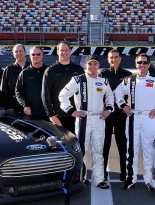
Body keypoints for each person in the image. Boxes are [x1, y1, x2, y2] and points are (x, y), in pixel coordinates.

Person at [114, 54, 155, 190]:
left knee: (149, 150)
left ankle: (149, 180)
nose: (142, 65)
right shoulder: (128, 80)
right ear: (136, 64)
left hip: (150, 118)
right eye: (139, 63)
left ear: (149, 64)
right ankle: (131, 178)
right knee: (131, 150)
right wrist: (123, 105)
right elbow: (117, 93)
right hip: (133, 117)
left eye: (144, 63)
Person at [59, 54, 114, 189]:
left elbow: (110, 97)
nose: (92, 66)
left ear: (98, 66)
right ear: (85, 65)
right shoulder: (78, 80)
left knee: (98, 150)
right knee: (82, 150)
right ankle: (81, 177)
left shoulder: (104, 81)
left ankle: (99, 179)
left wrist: (109, 110)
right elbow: (63, 95)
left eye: (95, 64)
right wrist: (71, 110)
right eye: (90, 64)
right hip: (83, 118)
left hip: (99, 119)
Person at [99, 48, 132, 181]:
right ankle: (102, 173)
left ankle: (124, 173)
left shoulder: (128, 74)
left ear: (120, 58)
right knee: (104, 144)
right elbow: (98, 92)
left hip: (121, 115)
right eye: (111, 57)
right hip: (106, 115)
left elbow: (132, 94)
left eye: (116, 57)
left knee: (122, 145)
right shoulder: (102, 74)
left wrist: (128, 107)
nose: (114, 59)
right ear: (108, 59)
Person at [42, 41, 84, 133]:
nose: (64, 52)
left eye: (66, 50)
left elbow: (85, 91)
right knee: (60, 145)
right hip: (58, 116)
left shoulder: (78, 69)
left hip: (76, 114)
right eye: (62, 50)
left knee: (77, 144)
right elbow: (45, 94)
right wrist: (51, 114)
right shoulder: (50, 70)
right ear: (57, 51)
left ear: (70, 51)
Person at [15, 46, 48, 121]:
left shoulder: (49, 71)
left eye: (38, 54)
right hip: (31, 114)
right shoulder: (24, 73)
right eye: (33, 54)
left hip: (49, 114)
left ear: (42, 55)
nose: (35, 56)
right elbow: (18, 91)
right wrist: (25, 105)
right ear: (30, 56)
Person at [0, 44, 30, 111]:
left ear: (25, 52)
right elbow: (4, 91)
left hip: (32, 108)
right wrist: (8, 107)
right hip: (14, 109)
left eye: (20, 51)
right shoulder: (9, 69)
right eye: (16, 51)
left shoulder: (32, 68)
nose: (18, 53)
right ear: (13, 54)